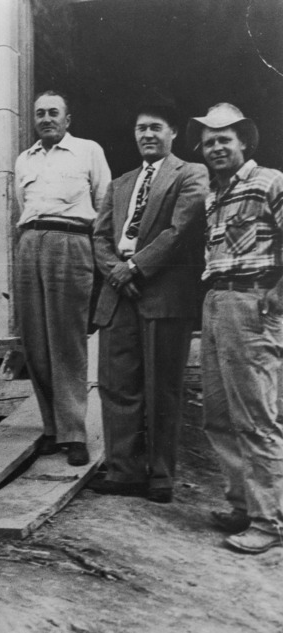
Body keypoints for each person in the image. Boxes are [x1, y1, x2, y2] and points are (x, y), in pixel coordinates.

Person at [90, 101, 208, 503]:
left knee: (162, 387)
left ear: (173, 132)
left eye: (156, 128)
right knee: (117, 384)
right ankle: (124, 471)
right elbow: (100, 236)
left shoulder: (190, 174)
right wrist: (116, 271)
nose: (147, 135)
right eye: (141, 128)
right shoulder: (120, 183)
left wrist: (136, 267)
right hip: (118, 292)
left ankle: (160, 476)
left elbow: (180, 230)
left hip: (162, 291)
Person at [188, 103, 283, 553]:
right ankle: (243, 505)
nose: (216, 147)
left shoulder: (270, 181)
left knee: (256, 418)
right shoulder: (215, 196)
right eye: (209, 142)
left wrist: (277, 293)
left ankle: (270, 522)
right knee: (219, 415)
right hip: (217, 300)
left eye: (225, 138)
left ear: (244, 140)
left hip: (252, 301)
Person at [14, 90, 111, 466]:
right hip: (29, 243)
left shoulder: (88, 151)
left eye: (54, 113)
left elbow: (104, 208)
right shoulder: (24, 159)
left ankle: (75, 432)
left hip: (71, 242)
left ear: (68, 119)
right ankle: (52, 429)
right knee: (35, 340)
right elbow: (23, 208)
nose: (46, 119)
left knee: (67, 340)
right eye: (39, 114)